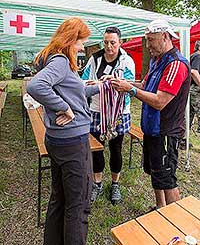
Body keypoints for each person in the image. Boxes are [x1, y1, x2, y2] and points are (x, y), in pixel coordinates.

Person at [27, 17, 100, 245]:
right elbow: (35, 86)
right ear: (71, 39)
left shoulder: (53, 59)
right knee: (78, 205)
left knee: (59, 198)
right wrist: (63, 107)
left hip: (58, 140)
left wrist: (101, 86)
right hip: (72, 143)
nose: (82, 48)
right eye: (81, 42)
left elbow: (74, 93)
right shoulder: (59, 62)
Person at [111, 19, 191, 208]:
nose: (148, 46)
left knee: (167, 178)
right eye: (146, 40)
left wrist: (130, 89)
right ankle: (160, 209)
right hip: (152, 130)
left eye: (151, 40)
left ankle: (175, 222)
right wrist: (122, 83)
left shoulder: (176, 65)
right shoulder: (157, 61)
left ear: (165, 37)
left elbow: (160, 101)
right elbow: (145, 86)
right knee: (156, 173)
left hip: (165, 132)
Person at [82, 27, 135, 205]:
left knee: (116, 148)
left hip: (119, 112)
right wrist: (103, 84)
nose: (109, 46)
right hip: (96, 110)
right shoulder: (95, 59)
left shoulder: (127, 61)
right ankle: (97, 183)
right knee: (96, 148)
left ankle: (115, 184)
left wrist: (103, 83)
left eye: (112, 42)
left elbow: (127, 85)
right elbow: (84, 81)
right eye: (106, 42)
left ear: (120, 42)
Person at [190, 40, 200, 133]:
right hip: (195, 88)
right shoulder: (198, 56)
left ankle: (183, 139)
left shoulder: (193, 56)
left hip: (192, 88)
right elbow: (193, 72)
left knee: (189, 113)